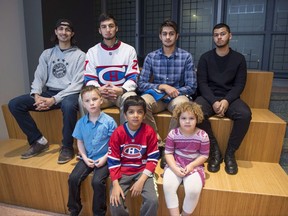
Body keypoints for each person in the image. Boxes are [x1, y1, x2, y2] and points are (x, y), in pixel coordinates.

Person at [8, 19, 85, 164]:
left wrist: (54, 100)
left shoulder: (80, 55)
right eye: (60, 29)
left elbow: (77, 84)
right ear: (56, 32)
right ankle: (38, 140)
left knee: (69, 106)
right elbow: (39, 76)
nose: (64, 32)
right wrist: (37, 95)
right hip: (48, 92)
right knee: (15, 104)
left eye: (67, 30)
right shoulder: (47, 54)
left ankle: (67, 147)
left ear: (72, 33)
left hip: (69, 93)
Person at [195, 23, 252, 175]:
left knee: (245, 114)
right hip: (209, 97)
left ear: (230, 35)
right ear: (213, 37)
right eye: (216, 35)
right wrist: (214, 102)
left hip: (230, 98)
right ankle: (214, 150)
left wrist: (226, 101)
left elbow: (240, 84)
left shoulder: (239, 59)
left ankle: (230, 153)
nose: (219, 37)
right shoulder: (205, 58)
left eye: (222, 34)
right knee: (195, 111)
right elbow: (202, 83)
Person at [137, 19, 197, 152]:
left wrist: (174, 91)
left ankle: (169, 144)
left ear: (177, 36)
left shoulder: (186, 57)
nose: (168, 37)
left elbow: (192, 86)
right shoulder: (151, 57)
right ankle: (155, 140)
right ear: (160, 36)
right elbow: (141, 84)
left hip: (177, 97)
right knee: (141, 102)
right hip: (157, 97)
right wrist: (162, 86)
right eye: (164, 34)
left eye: (171, 34)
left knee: (182, 105)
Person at [67, 85, 117, 216]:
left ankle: (99, 213)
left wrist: (105, 158)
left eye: (95, 99)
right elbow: (80, 142)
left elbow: (114, 144)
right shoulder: (80, 123)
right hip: (87, 157)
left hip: (105, 158)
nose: (92, 103)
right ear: (83, 104)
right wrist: (84, 157)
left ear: (101, 100)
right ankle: (74, 209)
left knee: (97, 181)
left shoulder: (109, 121)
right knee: (73, 178)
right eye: (87, 101)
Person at [82, 13, 140, 124]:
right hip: (101, 94)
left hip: (122, 93)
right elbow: (89, 78)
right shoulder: (92, 52)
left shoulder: (129, 50)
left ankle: (127, 137)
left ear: (116, 28)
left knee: (132, 99)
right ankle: (91, 136)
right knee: (83, 99)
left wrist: (121, 90)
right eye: (104, 27)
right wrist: (99, 90)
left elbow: (133, 77)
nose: (108, 29)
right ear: (100, 30)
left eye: (111, 26)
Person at [108, 96, 160, 216]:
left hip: (143, 170)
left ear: (144, 115)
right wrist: (115, 184)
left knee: (153, 200)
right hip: (123, 171)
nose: (135, 115)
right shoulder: (118, 133)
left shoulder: (150, 132)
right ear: (125, 115)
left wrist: (142, 180)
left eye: (139, 112)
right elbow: (113, 160)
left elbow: (152, 159)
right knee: (115, 201)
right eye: (131, 112)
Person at [163, 102, 209, 216]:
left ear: (197, 119)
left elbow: (204, 155)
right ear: (178, 119)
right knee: (168, 186)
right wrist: (174, 168)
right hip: (176, 163)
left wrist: (191, 166)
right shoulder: (173, 134)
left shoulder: (203, 135)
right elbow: (168, 153)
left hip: (194, 165)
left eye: (191, 118)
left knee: (193, 191)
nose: (187, 121)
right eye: (183, 118)